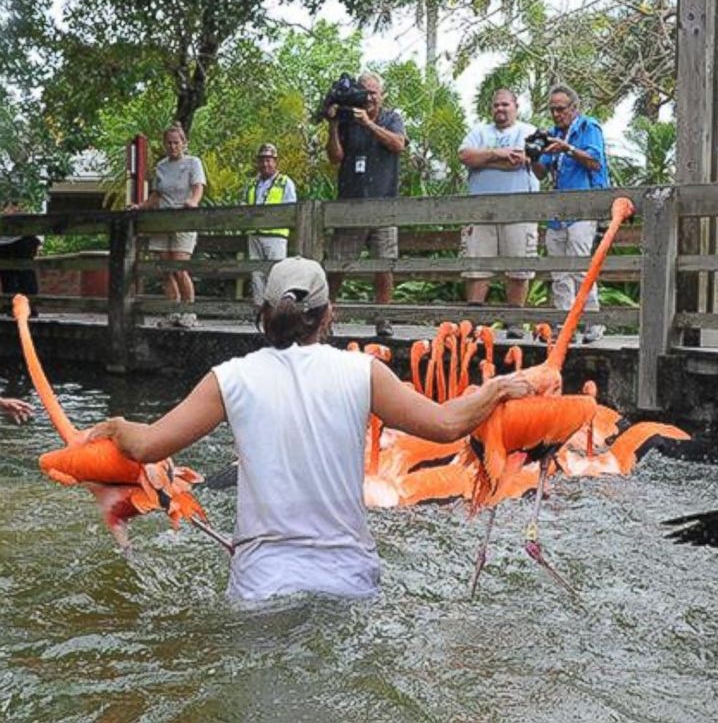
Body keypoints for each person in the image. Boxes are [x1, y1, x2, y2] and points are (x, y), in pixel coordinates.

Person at [86, 256, 534, 602]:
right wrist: (494, 389)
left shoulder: (230, 378)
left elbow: (145, 447)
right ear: (328, 315)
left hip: (261, 585)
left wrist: (117, 426)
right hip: (349, 580)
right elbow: (446, 424)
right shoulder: (363, 372)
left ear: (264, 312)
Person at [325, 71, 407, 337]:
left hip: (384, 206)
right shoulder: (348, 121)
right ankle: (325, 317)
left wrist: (368, 124)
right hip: (350, 207)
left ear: (381, 95)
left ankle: (383, 320)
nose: (370, 97)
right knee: (337, 265)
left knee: (384, 265)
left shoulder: (391, 118)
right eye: (365, 92)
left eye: (374, 92)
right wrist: (334, 124)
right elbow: (335, 157)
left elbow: (398, 145)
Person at [531, 84, 610, 344]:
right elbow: (541, 172)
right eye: (552, 110)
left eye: (561, 109)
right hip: (557, 211)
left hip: (583, 208)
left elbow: (595, 161)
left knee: (580, 267)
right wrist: (533, 155)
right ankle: (566, 326)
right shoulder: (551, 134)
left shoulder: (589, 128)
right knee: (559, 271)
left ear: (574, 108)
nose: (556, 114)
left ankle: (592, 323)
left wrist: (567, 148)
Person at [458, 89, 540, 339]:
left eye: (505, 104)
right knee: (477, 266)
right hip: (481, 211)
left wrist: (484, 160)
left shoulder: (529, 131)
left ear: (516, 106)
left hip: (519, 210)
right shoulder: (479, 132)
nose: (500, 109)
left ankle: (514, 322)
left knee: (518, 266)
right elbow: (464, 155)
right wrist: (499, 154)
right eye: (496, 105)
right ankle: (473, 323)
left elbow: (527, 159)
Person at [133, 123, 206, 329]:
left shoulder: (193, 163)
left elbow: (198, 187)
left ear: (184, 143)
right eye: (169, 143)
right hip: (162, 220)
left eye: (176, 142)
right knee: (165, 269)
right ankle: (173, 311)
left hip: (183, 219)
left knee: (180, 267)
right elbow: (157, 195)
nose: (173, 146)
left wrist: (193, 202)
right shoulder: (161, 166)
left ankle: (189, 312)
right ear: (164, 144)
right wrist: (141, 206)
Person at [244, 143, 297, 306]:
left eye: (269, 160)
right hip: (254, 234)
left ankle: (277, 310)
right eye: (262, 160)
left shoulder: (285, 182)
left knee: (277, 273)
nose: (265, 164)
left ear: (276, 162)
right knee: (256, 274)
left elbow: (291, 209)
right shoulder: (252, 184)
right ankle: (260, 311)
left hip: (276, 235)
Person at [0, 201, 42, 318]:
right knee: (9, 274)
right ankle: (13, 305)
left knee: (23, 273)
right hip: (6, 240)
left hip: (20, 238)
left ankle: (27, 306)